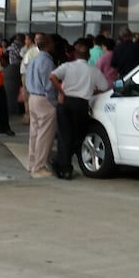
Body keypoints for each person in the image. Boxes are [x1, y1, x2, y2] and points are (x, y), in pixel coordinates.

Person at [49, 39, 109, 180]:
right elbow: (104, 87)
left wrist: (61, 91)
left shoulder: (67, 66)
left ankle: (64, 167)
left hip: (66, 102)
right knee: (78, 135)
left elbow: (52, 76)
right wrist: (91, 90)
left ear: (75, 55)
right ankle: (66, 164)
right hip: (81, 104)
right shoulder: (93, 70)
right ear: (88, 56)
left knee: (64, 136)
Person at [26, 34, 58, 178]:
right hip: (44, 99)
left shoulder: (34, 59)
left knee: (34, 132)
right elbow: (49, 85)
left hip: (33, 96)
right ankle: (39, 167)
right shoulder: (47, 62)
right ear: (48, 45)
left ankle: (32, 163)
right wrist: (54, 102)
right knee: (45, 135)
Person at [19, 33, 37, 125]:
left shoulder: (34, 50)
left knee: (28, 95)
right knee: (26, 96)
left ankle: (29, 116)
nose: (25, 41)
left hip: (29, 74)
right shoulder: (26, 49)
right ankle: (27, 115)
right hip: (25, 73)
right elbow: (21, 53)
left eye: (26, 39)